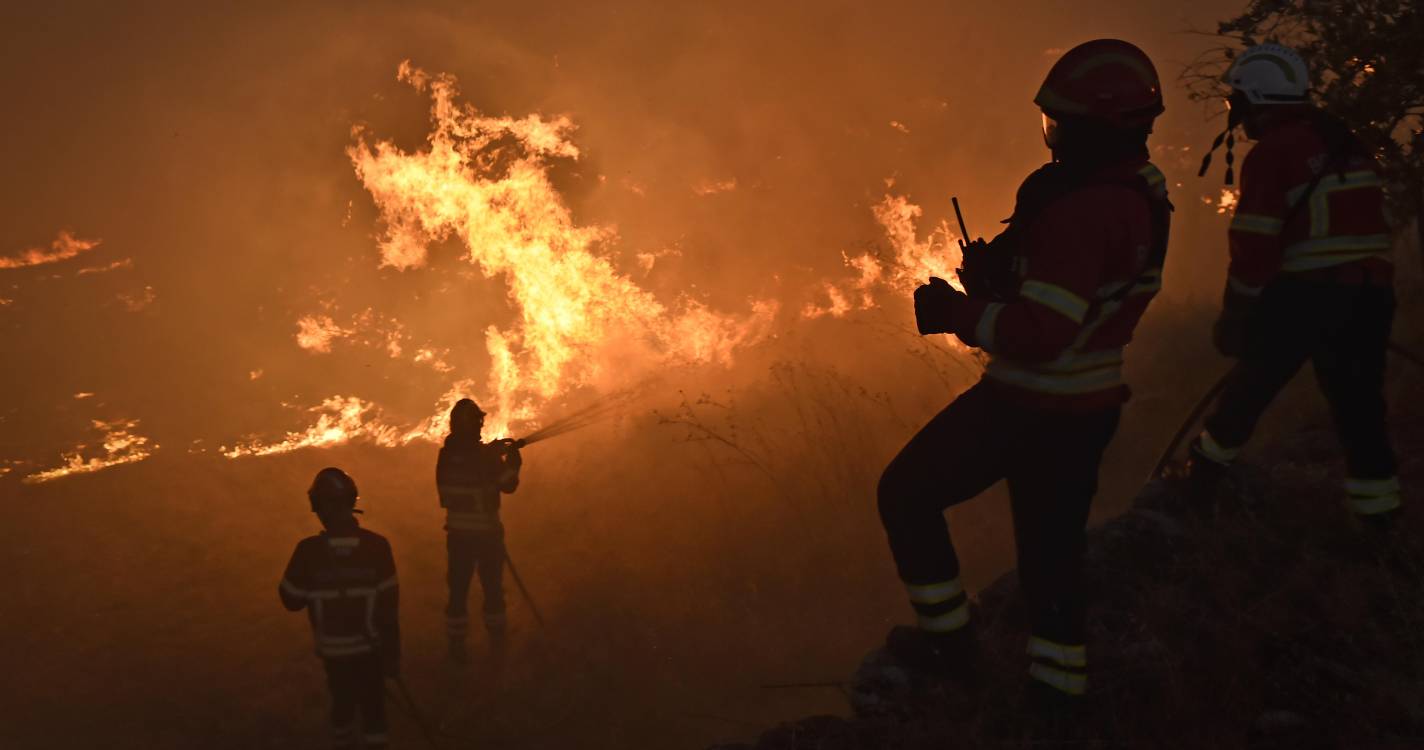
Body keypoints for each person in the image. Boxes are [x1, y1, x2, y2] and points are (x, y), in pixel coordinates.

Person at [877, 39, 1171, 709]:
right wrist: (1004, 280)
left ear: (1099, 127)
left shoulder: (1081, 209)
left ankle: (952, 648)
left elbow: (1041, 335)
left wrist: (959, 310)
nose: (1054, 138)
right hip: (1084, 405)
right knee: (1050, 555)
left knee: (906, 494)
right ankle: (1058, 696)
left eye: (1062, 123)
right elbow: (1079, 296)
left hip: (1033, 407)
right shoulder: (1138, 191)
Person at [1187, 43, 1401, 525]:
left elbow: (1253, 247)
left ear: (1258, 100)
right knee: (1360, 411)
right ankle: (1379, 519)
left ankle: (1198, 487)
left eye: (1237, 103)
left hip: (1307, 297)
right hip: (1370, 295)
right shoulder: (1346, 142)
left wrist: (1236, 316)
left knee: (1248, 393)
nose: (1236, 115)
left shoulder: (1274, 154)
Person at [280, 467, 400, 749]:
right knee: (374, 710)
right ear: (352, 501)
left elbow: (290, 600)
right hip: (371, 649)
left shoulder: (308, 551)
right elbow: (389, 611)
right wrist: (393, 657)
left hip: (334, 652)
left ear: (317, 507)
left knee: (342, 705)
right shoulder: (377, 547)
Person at [438, 398, 522, 662]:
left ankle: (456, 648)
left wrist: (490, 452)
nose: (480, 426)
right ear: (470, 424)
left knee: (458, 593)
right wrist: (513, 463)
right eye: (478, 422)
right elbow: (508, 485)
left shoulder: (447, 456)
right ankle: (498, 647)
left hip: (458, 538)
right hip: (487, 537)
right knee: (493, 591)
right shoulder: (485, 457)